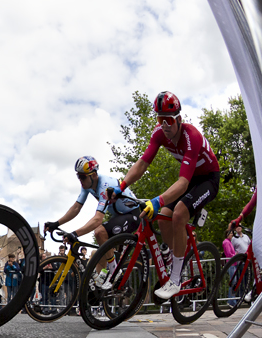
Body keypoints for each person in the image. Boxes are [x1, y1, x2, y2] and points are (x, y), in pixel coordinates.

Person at [109, 91, 220, 300]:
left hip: (207, 179)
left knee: (177, 213)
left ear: (178, 119)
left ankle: (176, 279)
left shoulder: (191, 136)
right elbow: (142, 163)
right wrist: (121, 186)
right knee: (163, 217)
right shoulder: (159, 133)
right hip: (191, 180)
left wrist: (157, 201)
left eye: (168, 120)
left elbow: (183, 182)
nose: (165, 125)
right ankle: (174, 256)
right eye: (160, 120)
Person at [45, 156, 138, 287]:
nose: (80, 180)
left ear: (93, 175)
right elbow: (76, 207)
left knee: (99, 232)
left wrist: (75, 234)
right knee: (98, 253)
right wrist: (56, 223)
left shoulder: (105, 186)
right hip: (118, 216)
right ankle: (102, 288)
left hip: (132, 214)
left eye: (83, 177)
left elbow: (97, 219)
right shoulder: (87, 186)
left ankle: (115, 273)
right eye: (78, 177)